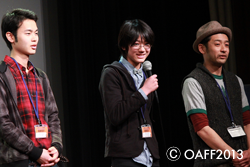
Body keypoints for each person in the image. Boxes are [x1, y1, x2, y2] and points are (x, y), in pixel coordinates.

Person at [182, 20, 250, 167]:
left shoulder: (235, 81)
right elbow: (202, 128)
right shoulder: (193, 81)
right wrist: (234, 155)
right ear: (202, 48)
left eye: (226, 45)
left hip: (243, 161)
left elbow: (247, 121)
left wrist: (249, 152)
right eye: (217, 44)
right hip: (213, 162)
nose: (224, 49)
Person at [0, 8, 63, 167]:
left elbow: (53, 116)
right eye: (28, 33)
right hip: (20, 161)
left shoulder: (40, 76)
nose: (35, 38)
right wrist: (34, 152)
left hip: (48, 158)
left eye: (36, 33)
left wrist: (56, 146)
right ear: (10, 36)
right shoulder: (2, 75)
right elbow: (3, 123)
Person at [99, 19, 160, 167]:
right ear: (124, 46)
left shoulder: (145, 74)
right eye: (136, 44)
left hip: (150, 153)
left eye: (146, 44)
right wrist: (143, 91)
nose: (143, 49)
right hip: (126, 155)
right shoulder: (111, 73)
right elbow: (115, 114)